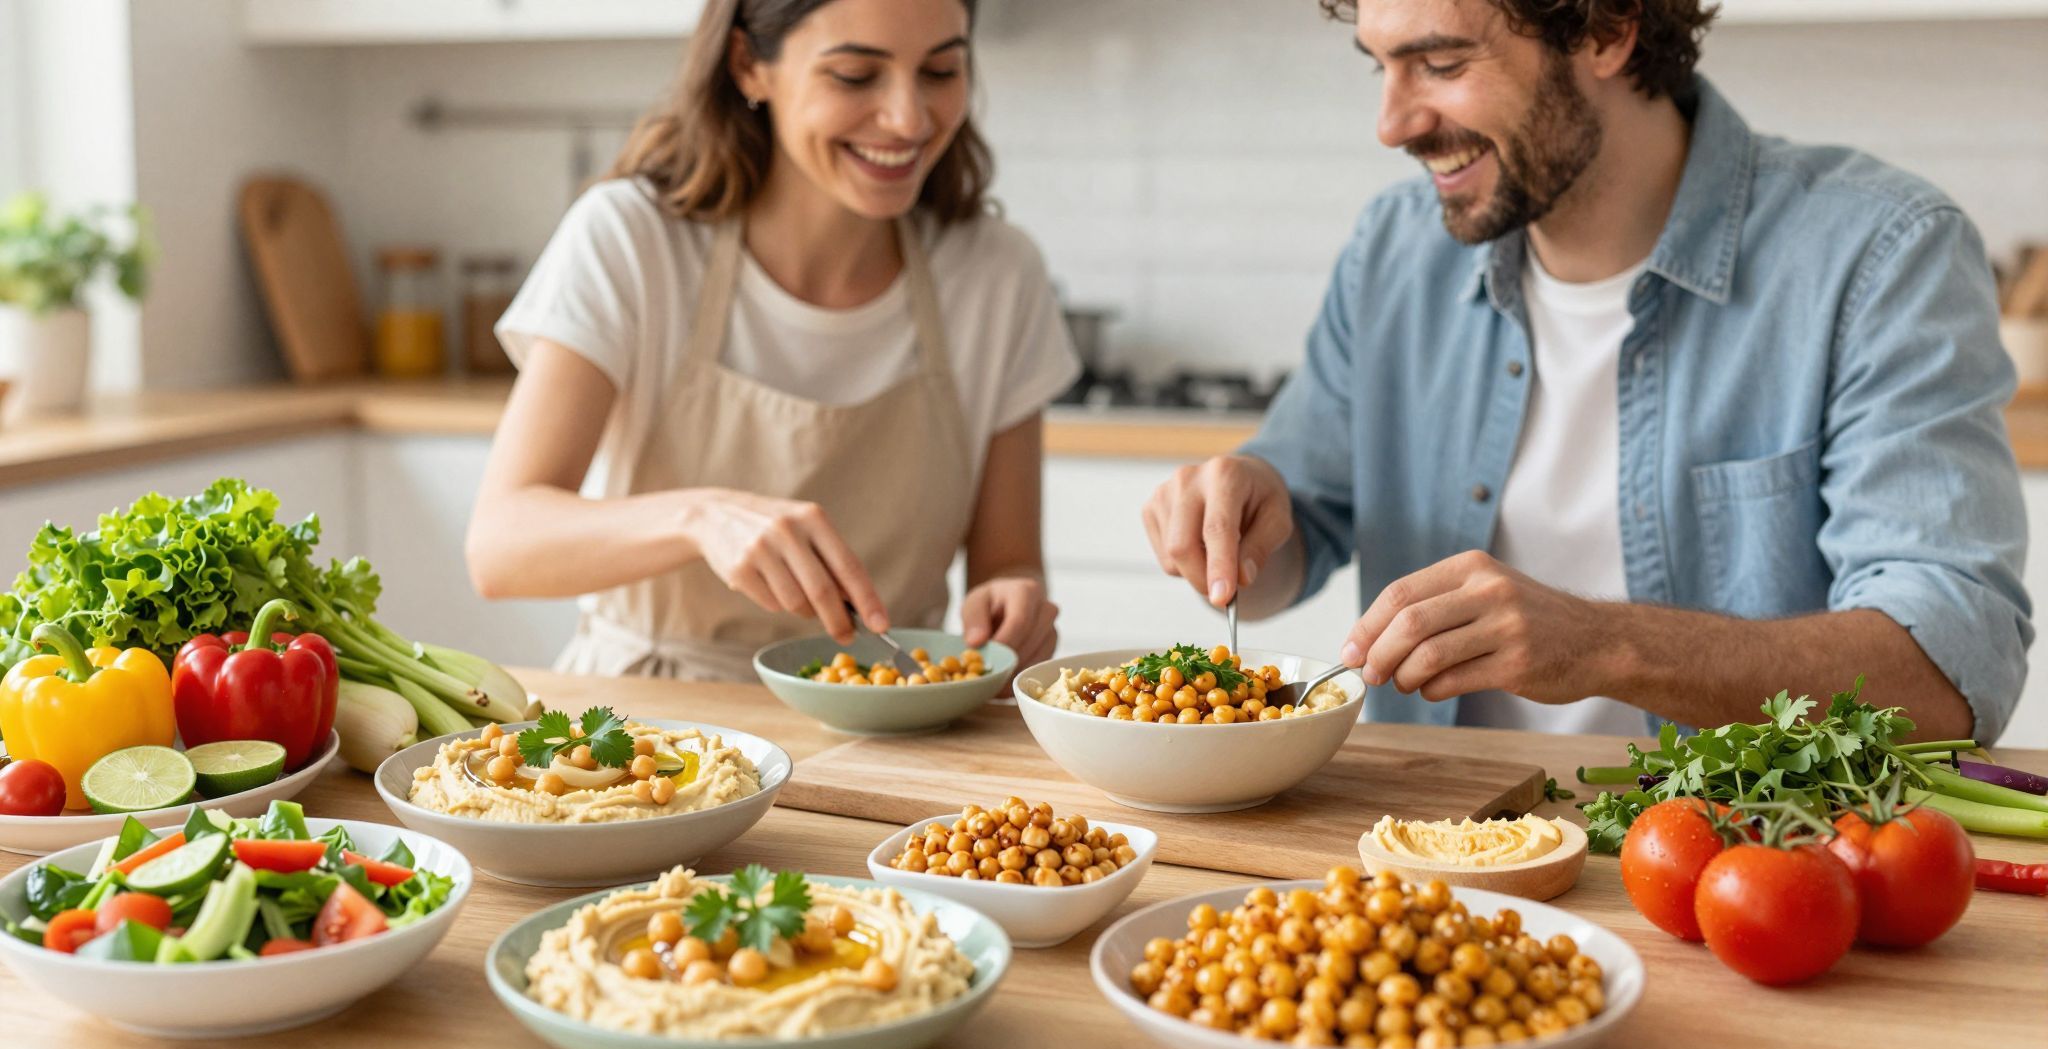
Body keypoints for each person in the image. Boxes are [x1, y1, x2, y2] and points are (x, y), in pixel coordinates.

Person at [1143, 0, 2031, 742]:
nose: (1392, 123)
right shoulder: (1394, 250)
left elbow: (1947, 669)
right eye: (1378, 65)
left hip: (1737, 880)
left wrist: (1605, 646)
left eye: (1442, 64)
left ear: (1607, 29)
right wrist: (1247, 511)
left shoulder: (1877, 253)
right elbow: (1298, 536)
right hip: (1427, 866)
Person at [466, 0, 1075, 681]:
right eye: (854, 75)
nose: (909, 118)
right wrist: (699, 517)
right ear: (749, 65)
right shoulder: (630, 239)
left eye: (941, 69)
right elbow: (500, 546)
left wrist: (1012, 603)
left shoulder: (997, 274)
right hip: (651, 722)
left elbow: (1010, 561)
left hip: (892, 716)